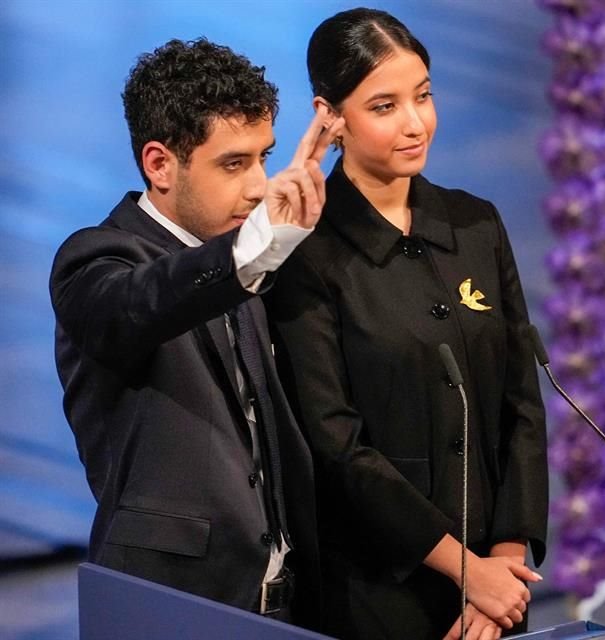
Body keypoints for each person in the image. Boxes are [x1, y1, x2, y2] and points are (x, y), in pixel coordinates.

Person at [265, 8, 548, 640]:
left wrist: (502, 566)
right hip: (376, 591)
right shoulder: (306, 254)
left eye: (422, 96)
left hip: (498, 597)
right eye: (385, 106)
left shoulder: (477, 224)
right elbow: (336, 444)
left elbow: (521, 404)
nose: (416, 123)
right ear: (330, 118)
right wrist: (464, 569)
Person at [50, 38, 343, 627]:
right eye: (233, 164)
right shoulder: (96, 260)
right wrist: (257, 246)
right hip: (169, 606)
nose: (258, 185)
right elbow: (149, 301)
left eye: (264, 157)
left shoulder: (246, 256)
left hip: (282, 607)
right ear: (159, 164)